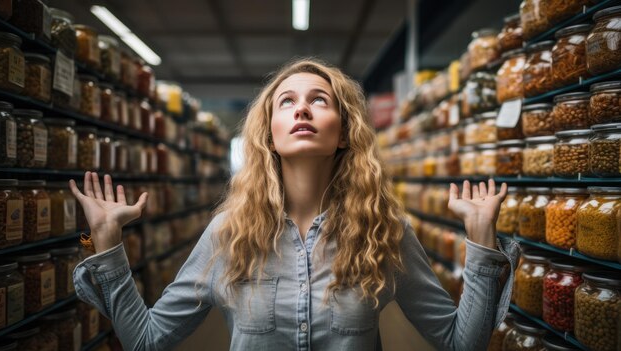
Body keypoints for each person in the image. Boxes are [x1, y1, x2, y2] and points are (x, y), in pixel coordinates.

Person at [70, 59, 520, 351]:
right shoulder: (227, 234)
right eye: (287, 102)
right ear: (269, 134)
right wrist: (106, 245)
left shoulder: (385, 232)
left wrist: (480, 243)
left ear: (343, 133)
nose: (301, 109)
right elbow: (147, 341)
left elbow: (463, 343)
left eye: (318, 100)